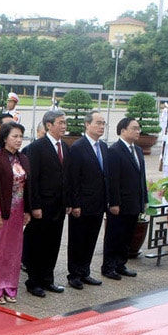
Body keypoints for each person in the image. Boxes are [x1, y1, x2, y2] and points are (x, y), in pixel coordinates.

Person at [0, 122, 31, 303]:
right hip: (1, 212)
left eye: (20, 136)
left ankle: (10, 286)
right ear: (4, 138)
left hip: (18, 212)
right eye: (14, 136)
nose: (18, 140)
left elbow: (27, 187)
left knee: (13, 251)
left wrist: (27, 211)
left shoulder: (23, 159)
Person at [22, 109, 70, 298]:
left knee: (53, 244)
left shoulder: (64, 147)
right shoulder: (37, 147)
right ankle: (33, 282)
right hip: (42, 206)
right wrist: (34, 206)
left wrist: (68, 202)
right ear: (49, 125)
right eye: (61, 122)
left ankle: (47, 279)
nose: (64, 126)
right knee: (37, 245)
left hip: (59, 206)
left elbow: (67, 177)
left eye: (65, 122)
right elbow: (32, 180)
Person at [102, 117, 147, 280]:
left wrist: (144, 199)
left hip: (134, 202)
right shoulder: (114, 150)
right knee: (115, 236)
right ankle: (109, 266)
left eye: (138, 128)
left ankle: (121, 264)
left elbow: (142, 177)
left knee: (127, 236)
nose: (138, 131)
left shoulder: (138, 150)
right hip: (120, 203)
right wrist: (114, 202)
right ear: (123, 131)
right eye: (134, 128)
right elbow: (112, 179)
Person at [66, 111, 107, 290]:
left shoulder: (104, 147)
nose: (101, 127)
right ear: (87, 124)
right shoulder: (77, 147)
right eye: (98, 123)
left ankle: (85, 271)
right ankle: (74, 274)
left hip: (98, 203)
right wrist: (75, 204)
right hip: (81, 204)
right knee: (78, 240)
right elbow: (73, 179)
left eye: (103, 124)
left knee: (91, 239)